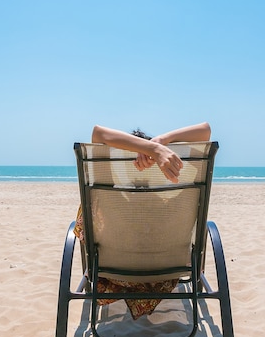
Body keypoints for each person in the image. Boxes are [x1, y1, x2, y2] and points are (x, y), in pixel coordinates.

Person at [74, 122, 211, 319]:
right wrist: (160, 144)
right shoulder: (173, 207)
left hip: (113, 272)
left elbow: (98, 133)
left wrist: (150, 148)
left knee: (88, 208)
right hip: (167, 272)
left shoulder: (111, 204)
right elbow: (205, 130)